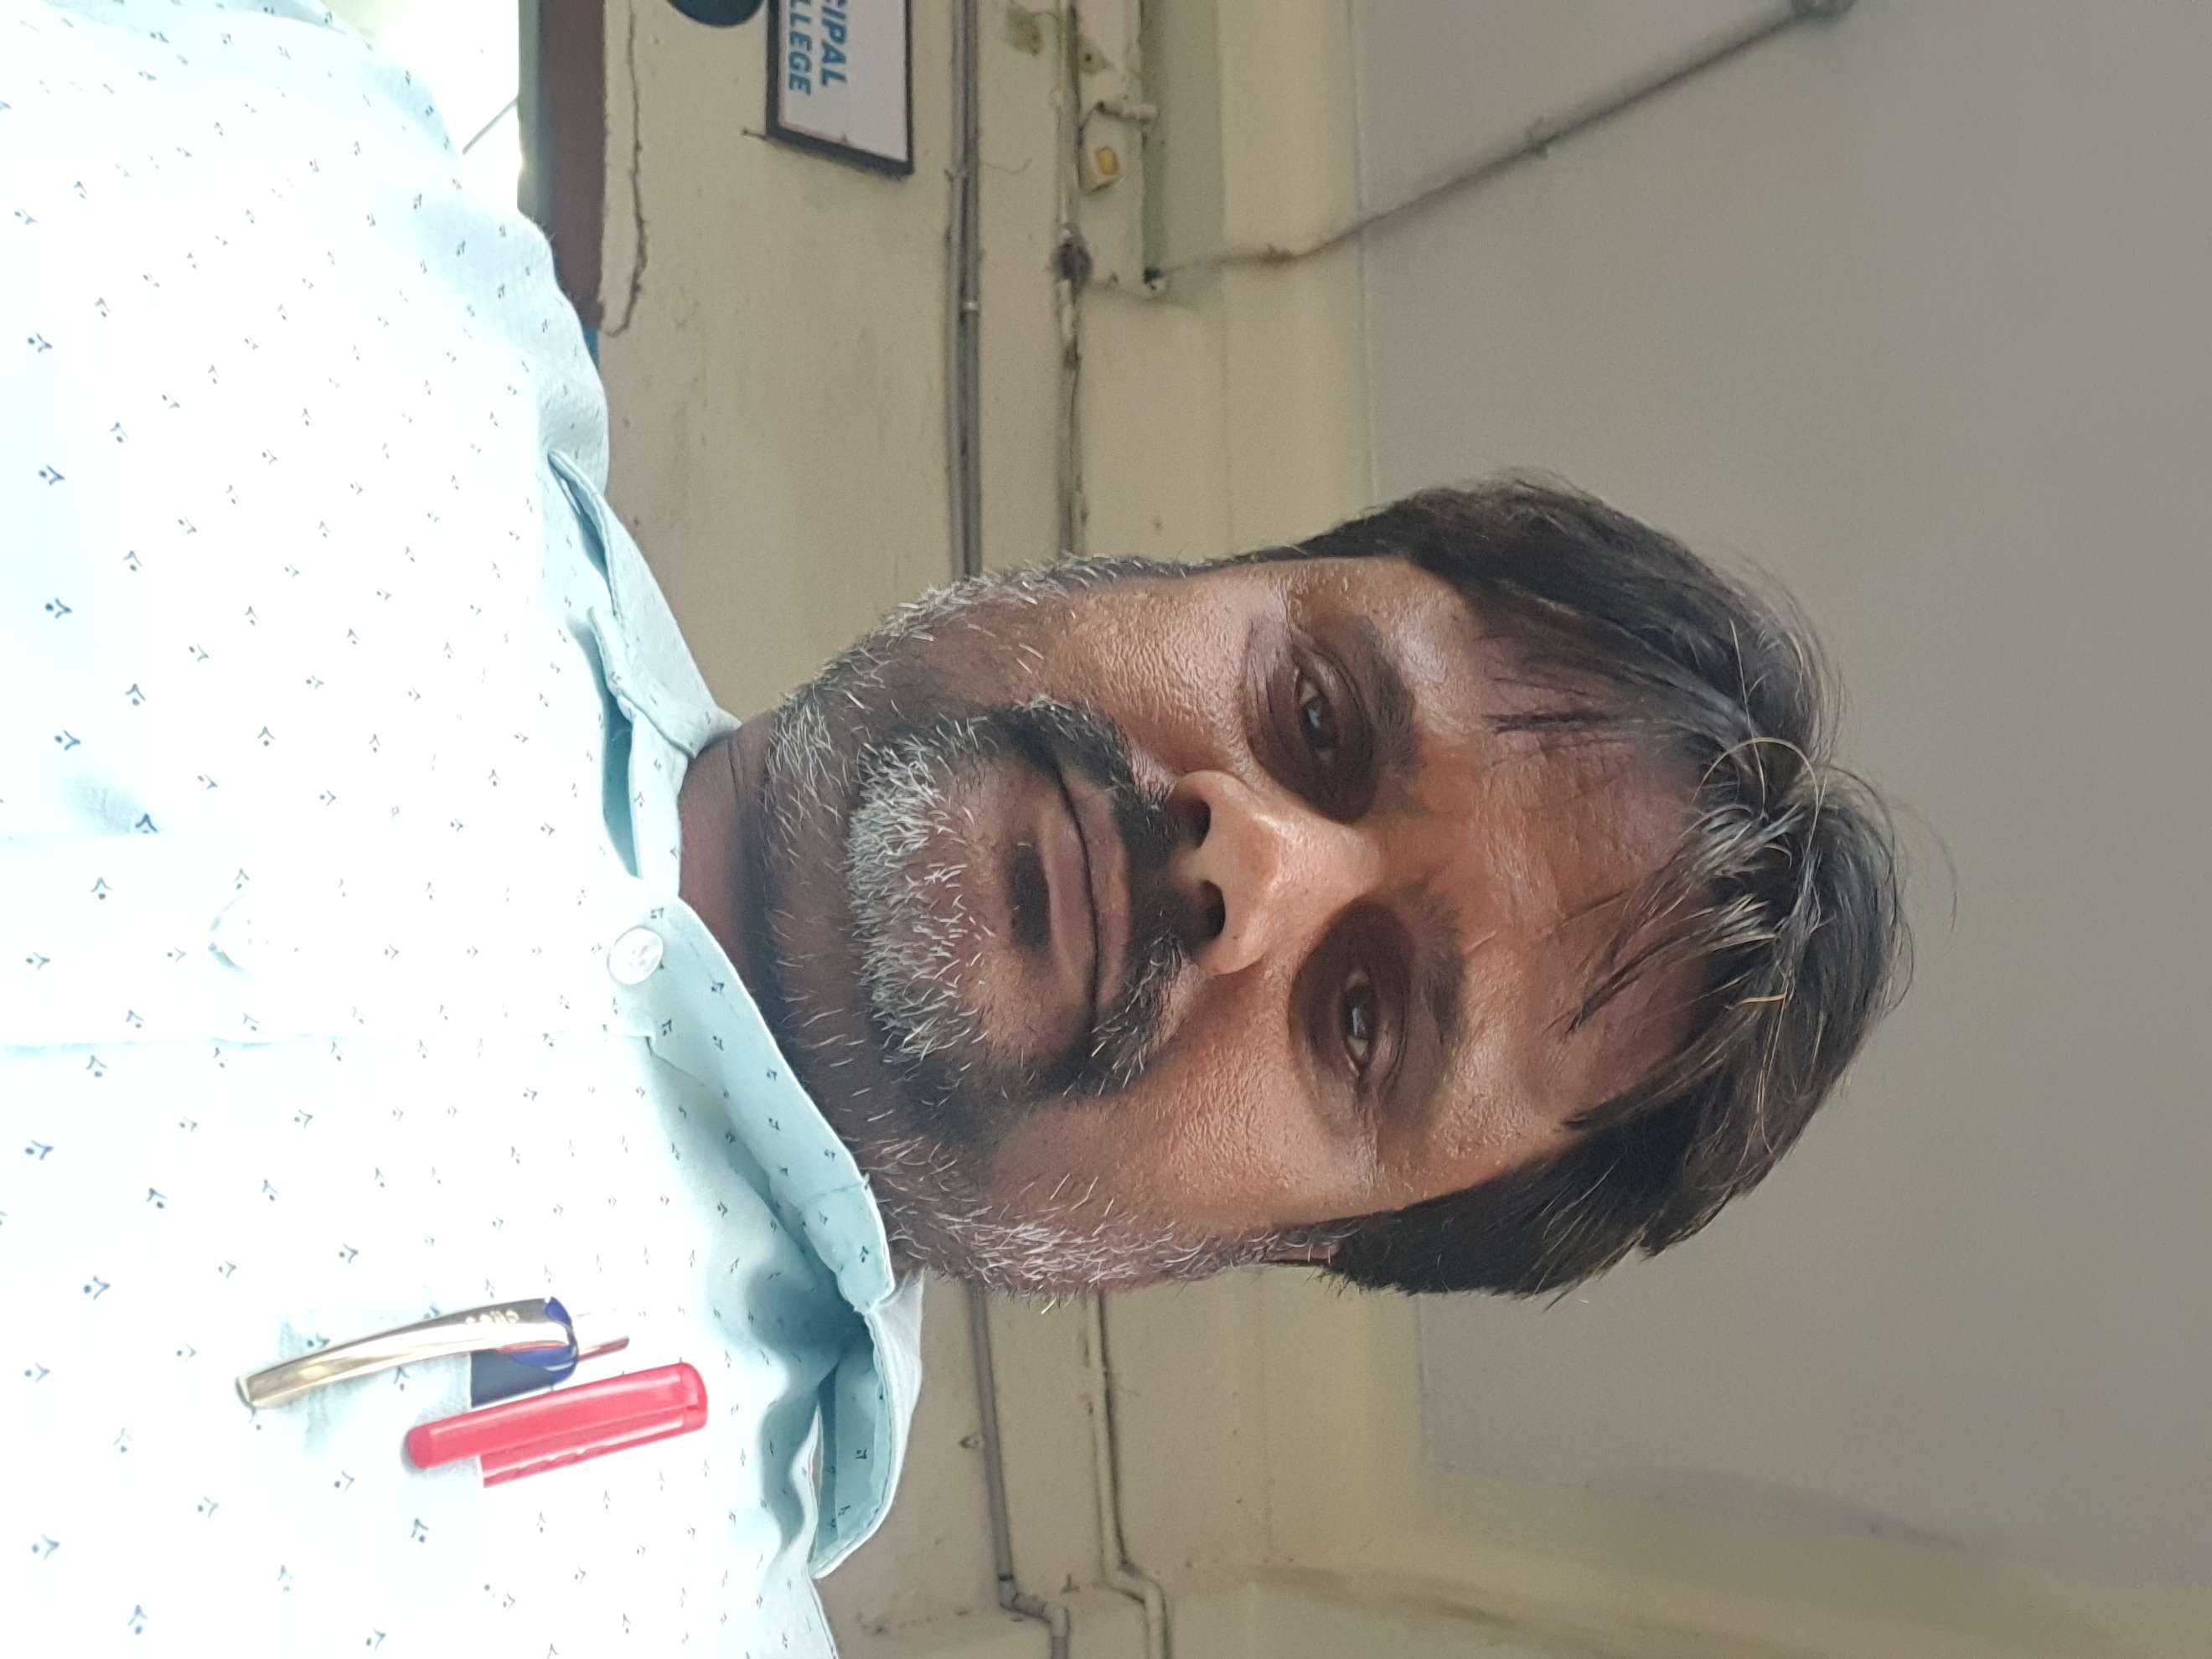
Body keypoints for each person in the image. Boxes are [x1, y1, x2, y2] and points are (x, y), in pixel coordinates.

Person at [0, 1, 1905, 1652]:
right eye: (1318, 717)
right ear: (1195, 570)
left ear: (1285, 1246)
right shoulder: (326, 182)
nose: (1248, 862)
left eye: (1362, 1019)